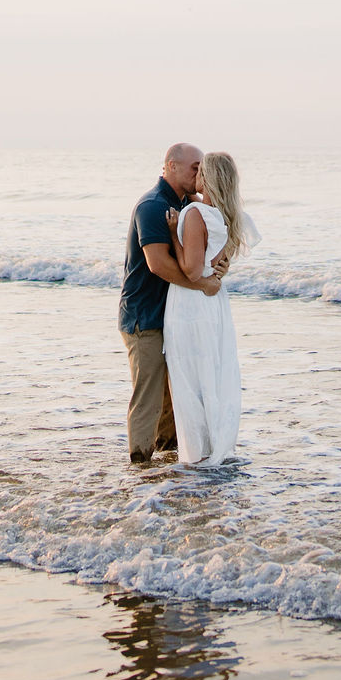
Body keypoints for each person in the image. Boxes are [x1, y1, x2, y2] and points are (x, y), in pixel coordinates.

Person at [120, 144, 227, 463]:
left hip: (174, 316)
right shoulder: (153, 205)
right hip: (144, 315)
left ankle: (166, 467)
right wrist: (203, 283)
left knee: (175, 395)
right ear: (171, 166)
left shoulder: (186, 203)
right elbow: (158, 264)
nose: (201, 172)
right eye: (195, 167)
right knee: (149, 396)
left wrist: (219, 267)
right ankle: (139, 467)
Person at [163, 152, 256, 466]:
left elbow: (191, 271)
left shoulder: (194, 214)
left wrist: (175, 231)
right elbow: (217, 263)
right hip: (215, 304)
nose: (195, 175)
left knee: (189, 376)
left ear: (209, 178)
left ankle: (197, 455)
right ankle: (215, 446)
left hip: (189, 304)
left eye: (200, 171)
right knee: (211, 373)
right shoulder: (226, 215)